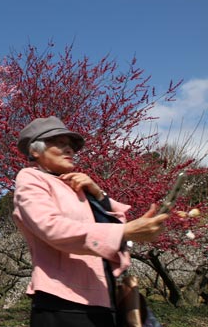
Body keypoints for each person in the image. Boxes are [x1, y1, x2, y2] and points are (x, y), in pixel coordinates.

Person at [12, 116, 168, 327]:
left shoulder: (79, 184)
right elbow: (52, 228)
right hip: (63, 302)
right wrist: (125, 232)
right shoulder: (31, 178)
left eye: (71, 146)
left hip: (104, 297)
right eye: (60, 144)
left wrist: (98, 194)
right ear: (35, 151)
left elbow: (115, 225)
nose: (69, 150)